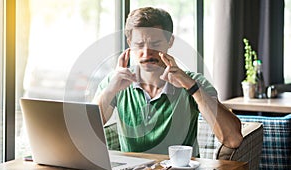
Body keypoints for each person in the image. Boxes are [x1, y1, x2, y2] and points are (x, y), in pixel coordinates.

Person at [93, 7, 242, 155]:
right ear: (130, 43)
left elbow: (233, 139)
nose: (146, 53)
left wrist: (192, 87)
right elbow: (87, 130)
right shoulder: (117, 81)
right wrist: (110, 90)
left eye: (155, 44)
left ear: (170, 41)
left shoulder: (193, 82)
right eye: (139, 45)